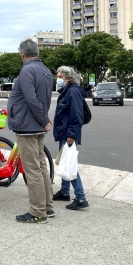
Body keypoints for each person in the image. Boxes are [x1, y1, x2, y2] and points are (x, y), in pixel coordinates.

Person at [7, 39, 54, 224]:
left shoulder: (27, 70)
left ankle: (37, 211)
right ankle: (47, 207)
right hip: (37, 126)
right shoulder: (46, 70)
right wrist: (44, 119)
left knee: (32, 169)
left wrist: (43, 120)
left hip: (27, 125)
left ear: (22, 54)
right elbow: (44, 99)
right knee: (42, 166)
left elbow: (30, 99)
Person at [53, 66, 89, 210]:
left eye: (60, 76)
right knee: (64, 161)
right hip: (65, 132)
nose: (58, 79)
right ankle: (64, 191)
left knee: (70, 164)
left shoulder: (72, 92)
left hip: (68, 134)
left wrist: (71, 135)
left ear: (68, 77)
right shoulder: (67, 91)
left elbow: (76, 116)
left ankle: (81, 197)